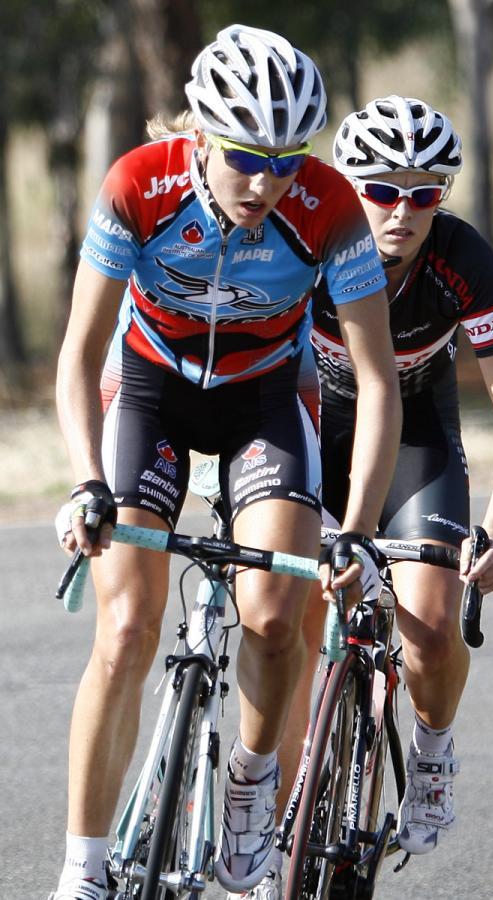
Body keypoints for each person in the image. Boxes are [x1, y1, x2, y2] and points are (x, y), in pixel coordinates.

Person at [48, 26, 401, 900]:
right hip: (150, 391)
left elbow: (379, 378)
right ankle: (84, 866)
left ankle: (248, 787)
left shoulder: (327, 208)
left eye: (288, 159)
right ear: (202, 135)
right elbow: (77, 351)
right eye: (246, 155)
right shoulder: (139, 184)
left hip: (263, 402)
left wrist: (355, 531)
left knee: (277, 615)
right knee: (126, 627)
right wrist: (87, 479)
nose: (266, 181)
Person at [267, 93, 493, 897]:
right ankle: (284, 806)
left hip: (418, 435)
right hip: (317, 426)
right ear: (348, 187)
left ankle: (433, 747)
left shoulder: (462, 258)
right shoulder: (309, 242)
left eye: (425, 191)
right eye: (383, 189)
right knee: (292, 615)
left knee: (426, 629)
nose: (403, 210)